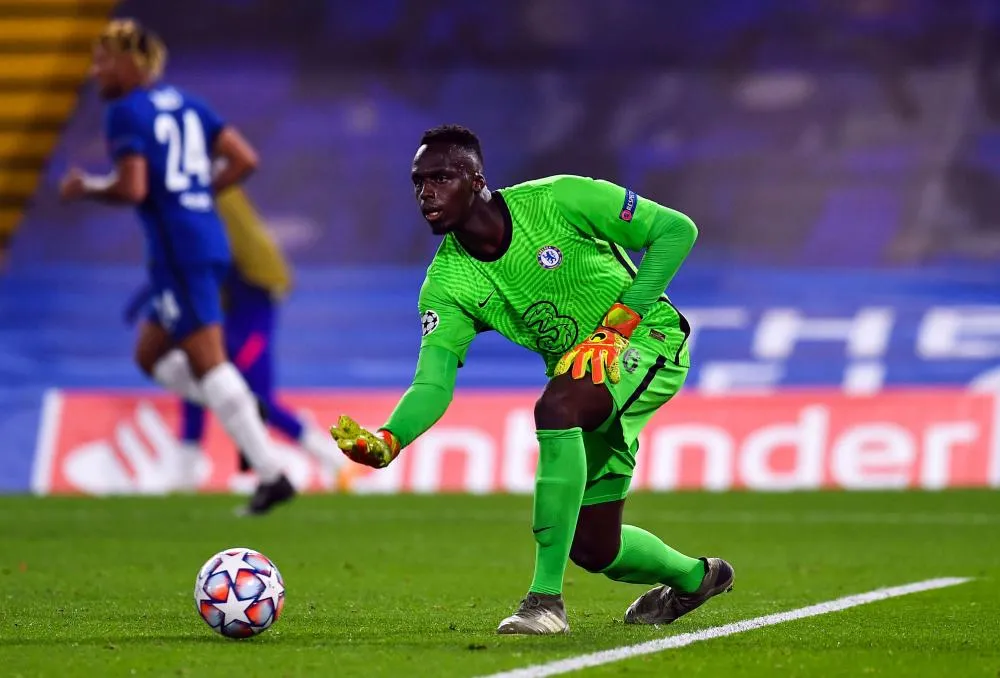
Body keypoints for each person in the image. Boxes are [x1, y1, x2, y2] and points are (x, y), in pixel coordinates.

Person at [329, 125, 734, 634]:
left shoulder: (561, 198)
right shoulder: (446, 285)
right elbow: (433, 384)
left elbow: (677, 231)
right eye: (417, 182)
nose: (425, 193)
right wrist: (390, 439)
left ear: (476, 179)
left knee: (556, 407)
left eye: (440, 178)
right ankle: (697, 577)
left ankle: (544, 602)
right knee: (594, 546)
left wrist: (618, 325)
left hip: (648, 341)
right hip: (585, 377)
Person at [58, 19, 299, 515]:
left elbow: (133, 188)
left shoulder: (125, 112)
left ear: (131, 62)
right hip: (202, 242)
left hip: (179, 251)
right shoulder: (190, 103)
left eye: (104, 59)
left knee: (209, 363)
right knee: (149, 355)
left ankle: (271, 473)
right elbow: (244, 159)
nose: (95, 70)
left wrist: (88, 188)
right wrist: (197, 192)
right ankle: (239, 407)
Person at [122, 186, 344, 492]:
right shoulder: (218, 248)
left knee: (257, 401)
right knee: (200, 374)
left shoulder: (240, 262)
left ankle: (333, 460)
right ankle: (187, 469)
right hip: (231, 327)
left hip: (249, 335)